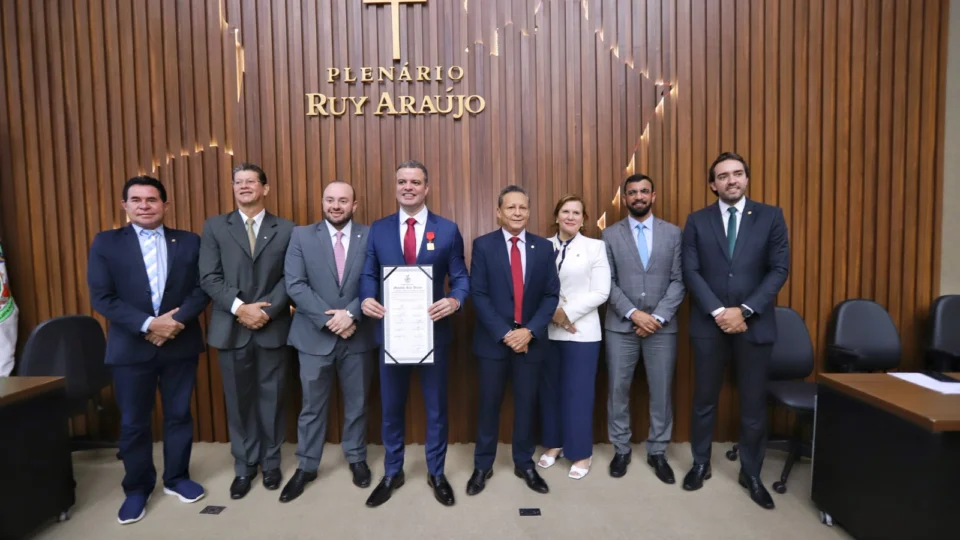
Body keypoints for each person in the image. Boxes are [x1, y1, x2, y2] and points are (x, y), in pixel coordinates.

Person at [87, 176, 210, 525]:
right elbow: (102, 297)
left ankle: (176, 478)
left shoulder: (188, 241)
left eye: (152, 199)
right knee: (134, 423)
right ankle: (137, 488)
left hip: (180, 343)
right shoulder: (107, 243)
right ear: (124, 206)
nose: (144, 205)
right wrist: (148, 325)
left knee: (178, 415)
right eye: (136, 199)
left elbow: (202, 289)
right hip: (130, 347)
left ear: (165, 205)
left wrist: (174, 323)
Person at [681, 151, 789, 509]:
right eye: (723, 176)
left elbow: (778, 270)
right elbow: (691, 272)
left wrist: (743, 310)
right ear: (713, 185)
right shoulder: (697, 221)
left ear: (747, 178)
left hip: (753, 324)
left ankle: (752, 472)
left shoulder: (771, 216)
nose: (731, 180)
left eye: (738, 173)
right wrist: (718, 311)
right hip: (708, 325)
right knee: (704, 400)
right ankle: (700, 464)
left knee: (754, 404)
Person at [359, 160, 470, 508]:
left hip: (432, 334)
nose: (408, 187)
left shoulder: (448, 230)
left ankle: (436, 473)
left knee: (436, 409)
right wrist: (365, 299)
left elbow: (462, 278)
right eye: (402, 181)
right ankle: (393, 472)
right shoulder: (378, 229)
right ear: (396, 186)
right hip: (391, 335)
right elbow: (368, 276)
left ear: (427, 188)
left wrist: (454, 300)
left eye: (416, 182)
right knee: (391, 408)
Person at [198, 163, 294, 500]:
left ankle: (270, 463)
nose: (244, 186)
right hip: (231, 327)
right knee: (238, 402)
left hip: (272, 326)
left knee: (272, 399)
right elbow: (209, 277)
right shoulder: (215, 227)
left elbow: (290, 278)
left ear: (265, 188)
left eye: (251, 181)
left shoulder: (286, 228)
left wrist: (264, 310)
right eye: (238, 182)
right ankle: (244, 466)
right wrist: (241, 308)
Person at [280, 181, 375, 502]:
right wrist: (329, 319)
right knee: (311, 407)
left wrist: (351, 314)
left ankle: (357, 458)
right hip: (313, 336)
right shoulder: (301, 236)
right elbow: (295, 284)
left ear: (355, 205)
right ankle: (306, 465)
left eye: (343, 200)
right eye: (330, 200)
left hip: (357, 334)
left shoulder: (370, 235)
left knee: (357, 405)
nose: (336, 205)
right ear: (322, 202)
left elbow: (375, 280)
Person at [466, 185, 560, 496]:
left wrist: (529, 331)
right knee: (489, 405)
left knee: (526, 405)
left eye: (522, 207)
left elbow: (550, 295)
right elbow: (478, 294)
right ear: (499, 212)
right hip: (493, 342)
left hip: (531, 341)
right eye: (510, 208)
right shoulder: (483, 245)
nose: (517, 212)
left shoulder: (544, 248)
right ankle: (482, 465)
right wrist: (506, 334)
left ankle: (524, 463)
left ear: (529, 212)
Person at [601, 174, 685, 483]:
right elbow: (605, 282)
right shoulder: (609, 235)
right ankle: (621, 449)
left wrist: (658, 317)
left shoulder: (674, 234)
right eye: (632, 192)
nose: (638, 196)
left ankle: (657, 451)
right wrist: (635, 314)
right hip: (621, 326)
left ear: (654, 195)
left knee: (661, 391)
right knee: (617, 390)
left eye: (644, 191)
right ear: (625, 198)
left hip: (662, 329)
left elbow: (679, 279)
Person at [536, 194, 610, 479]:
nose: (570, 217)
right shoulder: (542, 246)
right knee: (550, 391)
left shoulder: (595, 247)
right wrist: (552, 312)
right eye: (565, 211)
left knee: (578, 393)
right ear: (556, 216)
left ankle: (580, 452)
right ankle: (554, 444)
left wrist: (565, 313)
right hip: (547, 331)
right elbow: (533, 286)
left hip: (582, 333)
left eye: (576, 213)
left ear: (584, 219)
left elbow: (601, 291)